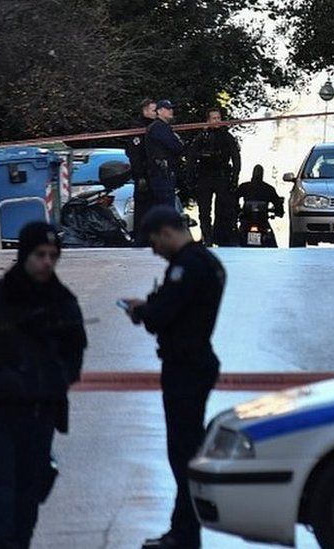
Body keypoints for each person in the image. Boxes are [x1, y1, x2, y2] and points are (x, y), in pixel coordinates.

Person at [0, 222, 87, 549]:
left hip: (40, 415)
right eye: (40, 254)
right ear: (24, 255)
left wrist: (55, 381)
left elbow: (75, 352)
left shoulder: (62, 302)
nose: (47, 262)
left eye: (53, 255)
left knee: (27, 500)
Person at [121, 206, 225, 549]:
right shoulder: (205, 262)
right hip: (193, 363)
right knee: (185, 452)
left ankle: (185, 534)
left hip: (186, 366)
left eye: (153, 244)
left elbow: (164, 315)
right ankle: (182, 530)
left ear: (166, 232)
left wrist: (142, 311)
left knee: (183, 454)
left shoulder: (188, 266)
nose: (154, 251)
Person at [188, 107, 241, 246]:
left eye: (219, 118)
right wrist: (191, 179)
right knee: (204, 211)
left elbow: (236, 158)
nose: (217, 121)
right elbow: (191, 158)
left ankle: (221, 238)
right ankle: (207, 238)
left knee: (223, 209)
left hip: (222, 176)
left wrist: (234, 178)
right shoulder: (202, 137)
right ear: (208, 120)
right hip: (205, 177)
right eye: (214, 118)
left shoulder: (227, 137)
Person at [126, 98, 157, 246]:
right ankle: (141, 239)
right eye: (153, 110)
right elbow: (134, 154)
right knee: (143, 209)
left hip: (155, 175)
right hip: (144, 176)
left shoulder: (156, 127)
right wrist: (140, 176)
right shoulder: (138, 128)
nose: (156, 113)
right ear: (145, 111)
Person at [145, 100, 185, 213]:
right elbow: (176, 146)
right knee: (166, 208)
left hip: (163, 172)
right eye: (168, 109)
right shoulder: (159, 128)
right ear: (160, 111)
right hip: (162, 173)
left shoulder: (162, 127)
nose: (171, 111)